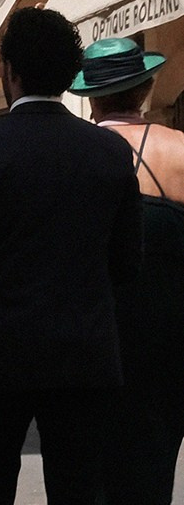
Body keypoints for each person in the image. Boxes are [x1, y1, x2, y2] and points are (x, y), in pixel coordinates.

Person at [0, 7, 143, 505]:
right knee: (79, 489)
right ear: (70, 74)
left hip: (0, 357)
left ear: (9, 71)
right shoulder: (109, 152)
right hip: (85, 354)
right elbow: (127, 264)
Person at [70, 36, 184, 505]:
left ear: (92, 97)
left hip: (97, 336)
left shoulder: (78, 154)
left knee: (94, 468)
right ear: (144, 90)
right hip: (170, 335)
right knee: (156, 461)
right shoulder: (179, 148)